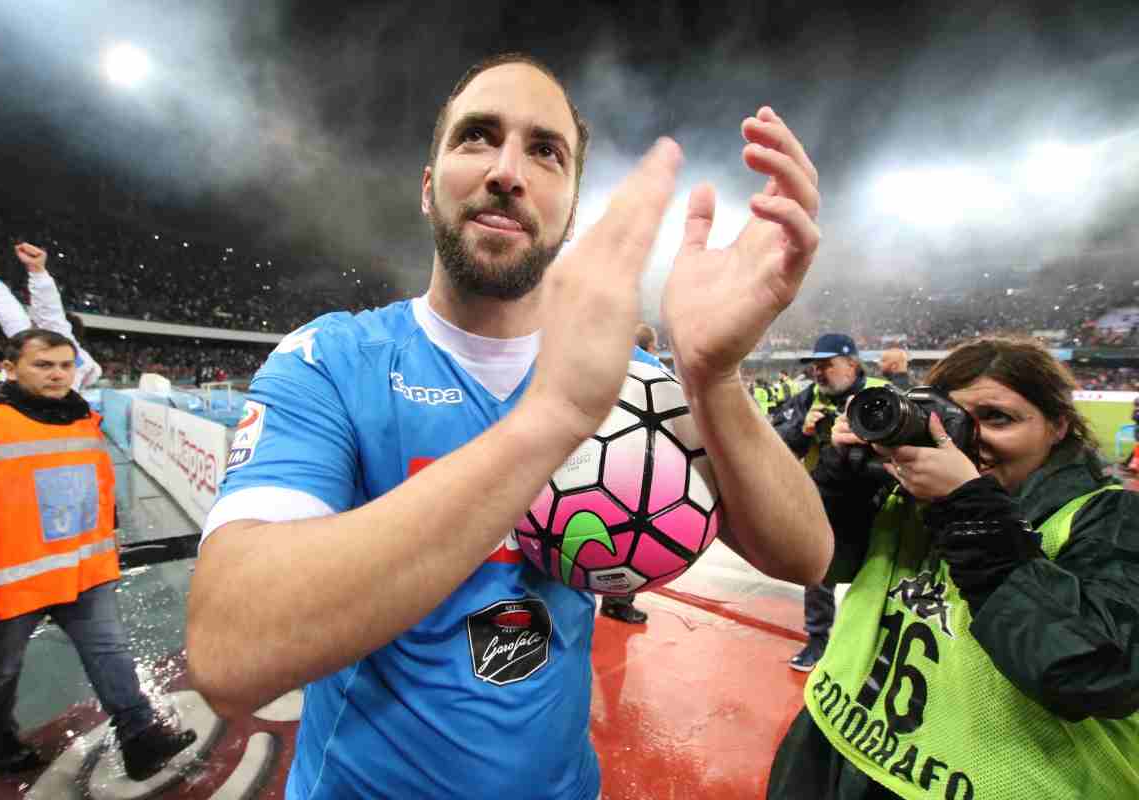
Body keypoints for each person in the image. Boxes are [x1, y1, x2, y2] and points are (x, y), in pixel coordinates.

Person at [187, 52, 829, 800]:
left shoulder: (635, 386)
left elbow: (805, 554)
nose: (507, 171)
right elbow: (230, 654)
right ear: (429, 190)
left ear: (570, 209)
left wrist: (711, 376)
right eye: (476, 138)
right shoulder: (331, 359)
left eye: (545, 151)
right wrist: (550, 420)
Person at [766, 336, 1139, 799]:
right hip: (838, 751)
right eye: (953, 418)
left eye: (998, 418)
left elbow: (1096, 675)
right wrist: (843, 482)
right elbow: (824, 565)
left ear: (1058, 425)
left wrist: (970, 509)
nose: (967, 440)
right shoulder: (905, 492)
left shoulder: (1111, 518)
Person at [0, 328, 196, 779]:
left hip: (84, 575)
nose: (57, 375)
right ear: (10, 367)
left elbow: (99, 486)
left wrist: (111, 534)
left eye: (64, 365)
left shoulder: (85, 421)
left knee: (112, 655)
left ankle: (141, 738)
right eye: (43, 365)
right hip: (9, 584)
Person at [774, 333, 888, 671]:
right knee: (820, 573)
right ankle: (818, 639)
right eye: (815, 366)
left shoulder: (879, 393)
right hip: (822, 500)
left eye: (827, 365)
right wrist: (804, 431)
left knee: (879, 575)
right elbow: (777, 444)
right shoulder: (807, 398)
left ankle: (875, 647)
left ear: (851, 364)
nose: (819, 373)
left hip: (874, 502)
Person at [0, 244, 103, 393]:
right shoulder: (82, 362)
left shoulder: (48, 345)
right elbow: (19, 317)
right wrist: (36, 271)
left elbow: (30, 316)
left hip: (23, 411)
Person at [599, 323, 663, 625]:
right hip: (633, 461)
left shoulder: (599, 354)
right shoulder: (648, 364)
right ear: (650, 345)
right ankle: (618, 599)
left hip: (596, 457)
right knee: (630, 534)